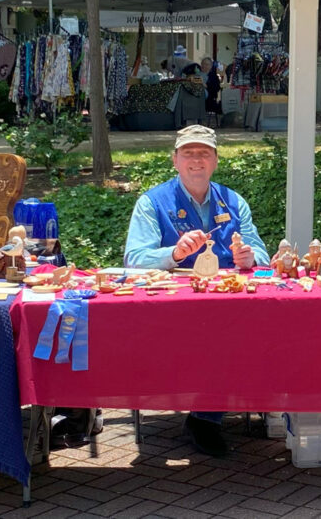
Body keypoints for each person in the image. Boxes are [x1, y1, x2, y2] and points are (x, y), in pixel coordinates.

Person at [123, 124, 270, 456]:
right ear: (175, 160)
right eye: (188, 154)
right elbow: (133, 260)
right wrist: (173, 254)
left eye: (204, 154)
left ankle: (207, 416)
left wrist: (248, 258)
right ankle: (206, 416)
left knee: (248, 332)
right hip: (171, 309)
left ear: (216, 161)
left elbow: (262, 253)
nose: (196, 161)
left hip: (227, 305)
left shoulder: (234, 201)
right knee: (213, 337)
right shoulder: (152, 202)